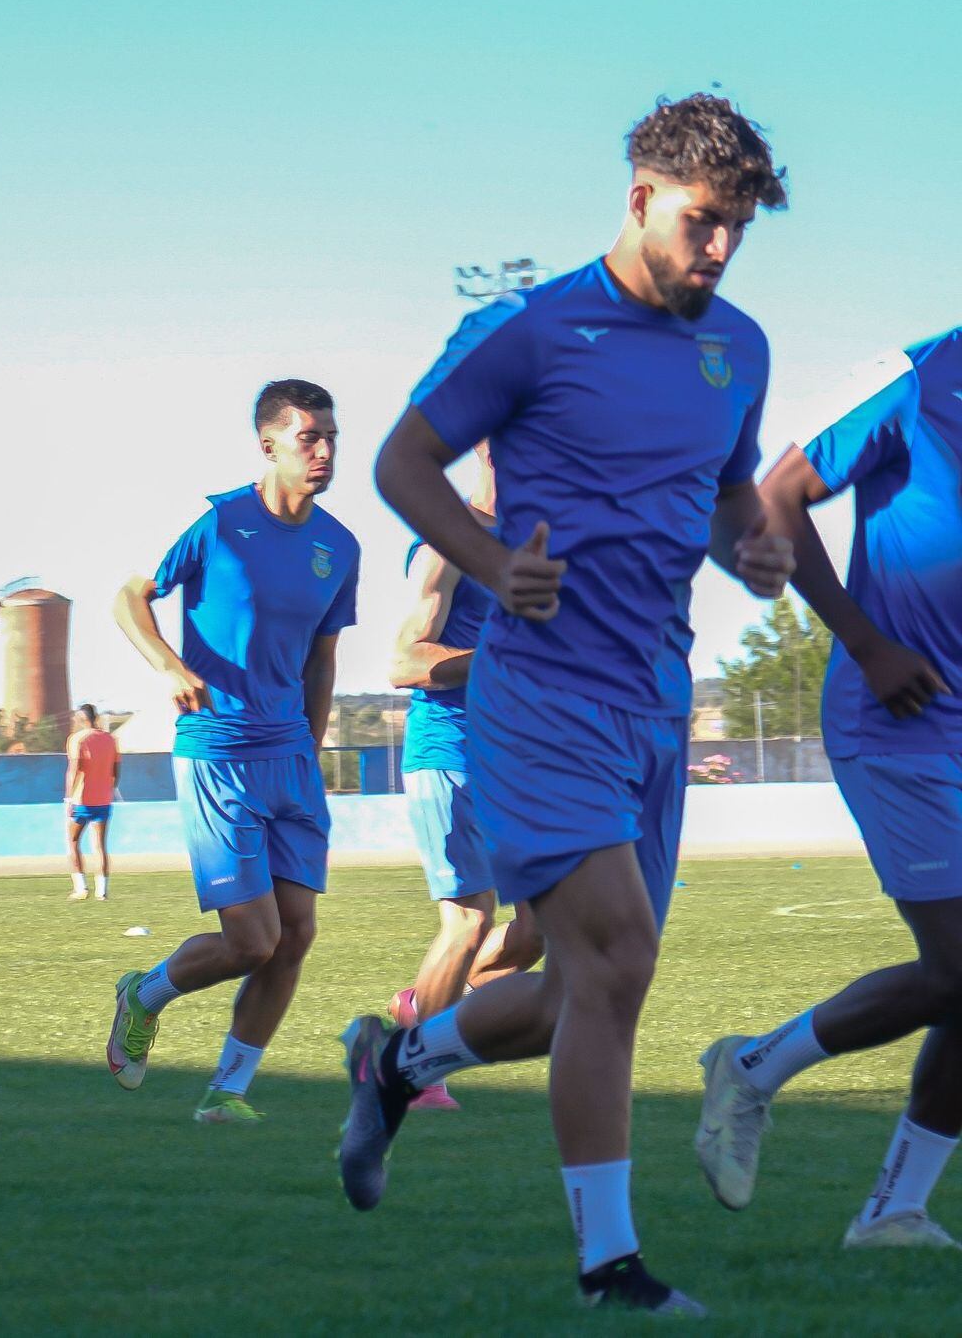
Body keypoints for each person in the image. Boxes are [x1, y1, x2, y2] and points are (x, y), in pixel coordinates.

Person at [340, 94, 793, 1314]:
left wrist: (747, 546)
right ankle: (608, 1268)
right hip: (538, 697)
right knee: (618, 954)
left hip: (654, 697)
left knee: (577, 990)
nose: (717, 251)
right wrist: (489, 570)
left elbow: (722, 492)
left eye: (737, 229)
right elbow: (399, 461)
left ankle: (395, 1063)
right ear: (638, 196)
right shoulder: (532, 331)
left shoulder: (735, 346)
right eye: (701, 222)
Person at [695, 328, 962, 1250]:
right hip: (902, 715)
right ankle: (753, 1068)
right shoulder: (916, 375)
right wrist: (868, 643)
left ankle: (894, 1210)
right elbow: (776, 496)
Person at [107, 379, 358, 1125]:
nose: (323, 450)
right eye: (309, 436)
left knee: (297, 933)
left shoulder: (338, 545)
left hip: (290, 756)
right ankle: (142, 994)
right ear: (269, 444)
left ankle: (227, 1092)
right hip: (218, 750)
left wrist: (310, 747)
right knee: (252, 938)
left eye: (331, 436)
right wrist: (169, 666)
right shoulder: (220, 525)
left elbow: (323, 659)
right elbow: (130, 595)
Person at [386, 440, 543, 1111]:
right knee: (468, 922)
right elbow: (403, 661)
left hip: (515, 758)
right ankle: (410, 1073)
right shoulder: (449, 538)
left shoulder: (538, 548)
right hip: (448, 751)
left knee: (538, 933)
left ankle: (421, 1005)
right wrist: (499, 657)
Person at [66, 704, 121, 900]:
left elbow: (74, 769)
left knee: (73, 842)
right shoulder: (110, 739)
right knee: (99, 845)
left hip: (82, 799)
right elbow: (116, 772)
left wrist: (69, 797)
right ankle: (102, 891)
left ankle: (81, 888)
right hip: (104, 800)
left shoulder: (78, 739)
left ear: (80, 719)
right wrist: (108, 789)